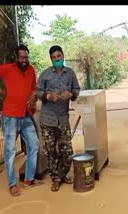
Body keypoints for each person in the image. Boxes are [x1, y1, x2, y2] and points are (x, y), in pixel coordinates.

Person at [0, 44, 42, 197]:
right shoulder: (8, 69)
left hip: (26, 115)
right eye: (21, 57)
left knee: (34, 145)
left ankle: (28, 180)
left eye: (26, 57)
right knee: (10, 152)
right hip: (11, 117)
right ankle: (12, 184)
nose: (24, 60)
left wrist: (33, 97)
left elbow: (34, 87)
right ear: (16, 57)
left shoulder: (31, 70)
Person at [36, 45, 81, 192]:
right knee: (50, 151)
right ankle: (55, 179)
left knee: (66, 151)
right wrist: (47, 96)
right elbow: (37, 92)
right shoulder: (45, 74)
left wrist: (71, 94)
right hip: (47, 119)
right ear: (51, 59)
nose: (57, 59)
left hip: (63, 119)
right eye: (54, 58)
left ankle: (63, 174)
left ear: (63, 56)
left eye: (59, 56)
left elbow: (76, 89)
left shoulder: (70, 74)